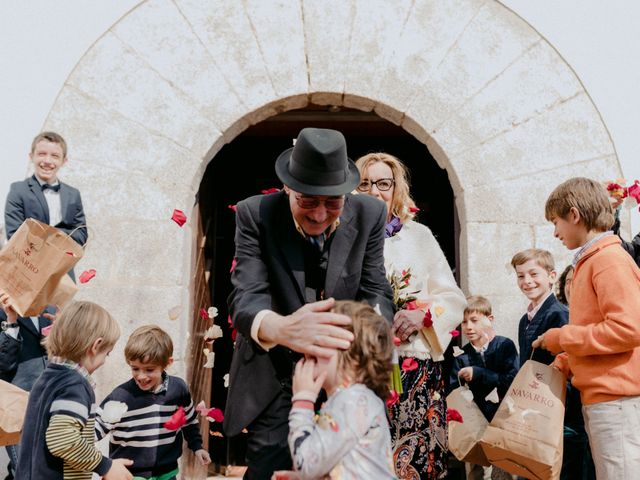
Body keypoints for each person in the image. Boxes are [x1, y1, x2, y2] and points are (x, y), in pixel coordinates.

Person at [224, 128, 395, 479]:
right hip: (274, 376)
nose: (320, 214)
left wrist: (363, 345)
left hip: (343, 377)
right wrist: (284, 329)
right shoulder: (254, 214)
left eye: (333, 203)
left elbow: (375, 290)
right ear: (287, 187)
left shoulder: (370, 214)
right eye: (307, 201)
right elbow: (246, 296)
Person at [355, 152, 466, 479]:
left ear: (396, 189)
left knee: (418, 462)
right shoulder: (344, 237)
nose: (375, 191)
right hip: (363, 367)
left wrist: (424, 317)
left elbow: (453, 298)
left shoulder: (419, 236)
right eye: (365, 183)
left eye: (383, 183)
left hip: (414, 368)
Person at [533, 177, 640, 479]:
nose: (555, 232)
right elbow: (598, 330)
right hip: (605, 398)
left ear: (575, 215)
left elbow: (628, 330)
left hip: (616, 399)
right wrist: (565, 361)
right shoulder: (595, 259)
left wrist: (562, 338)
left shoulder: (607, 260)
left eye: (556, 222)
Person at [273, 300, 395, 480]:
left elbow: (307, 463)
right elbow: (344, 463)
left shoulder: (351, 401)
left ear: (354, 358)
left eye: (321, 343)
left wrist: (302, 402)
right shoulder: (353, 399)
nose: (308, 348)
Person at [14, 301, 133, 480]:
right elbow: (62, 439)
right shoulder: (74, 386)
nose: (104, 361)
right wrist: (106, 466)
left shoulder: (48, 377)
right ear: (95, 346)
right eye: (106, 353)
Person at [95, 325, 211, 479]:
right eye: (135, 369)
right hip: (130, 475)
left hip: (167, 473)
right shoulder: (120, 397)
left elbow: (188, 421)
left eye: (149, 370)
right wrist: (102, 465)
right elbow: (91, 432)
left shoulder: (178, 390)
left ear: (167, 363)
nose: (141, 376)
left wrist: (197, 447)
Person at [449, 296, 518, 480]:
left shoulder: (504, 346)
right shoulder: (461, 355)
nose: (468, 327)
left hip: (503, 423)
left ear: (490, 319)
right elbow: (453, 390)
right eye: (464, 322)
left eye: (474, 320)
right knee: (476, 473)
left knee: (504, 473)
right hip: (475, 428)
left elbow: (512, 381)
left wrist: (479, 373)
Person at [4, 132, 88, 277]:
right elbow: (15, 234)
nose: (48, 161)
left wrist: (46, 235)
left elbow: (81, 234)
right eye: (42, 154)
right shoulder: (18, 190)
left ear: (64, 161)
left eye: (55, 156)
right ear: (31, 157)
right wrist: (62, 237)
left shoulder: (73, 194)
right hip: (25, 269)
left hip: (61, 273)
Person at [0, 294, 54, 480]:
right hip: (19, 406)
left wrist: (64, 331)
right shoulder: (4, 308)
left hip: (52, 401)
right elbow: (3, 364)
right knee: (26, 471)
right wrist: (11, 321)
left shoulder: (51, 306)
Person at [510, 248, 567, 367]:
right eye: (520, 276)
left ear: (552, 276)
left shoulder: (559, 314)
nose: (527, 281)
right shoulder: (524, 320)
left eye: (534, 274)